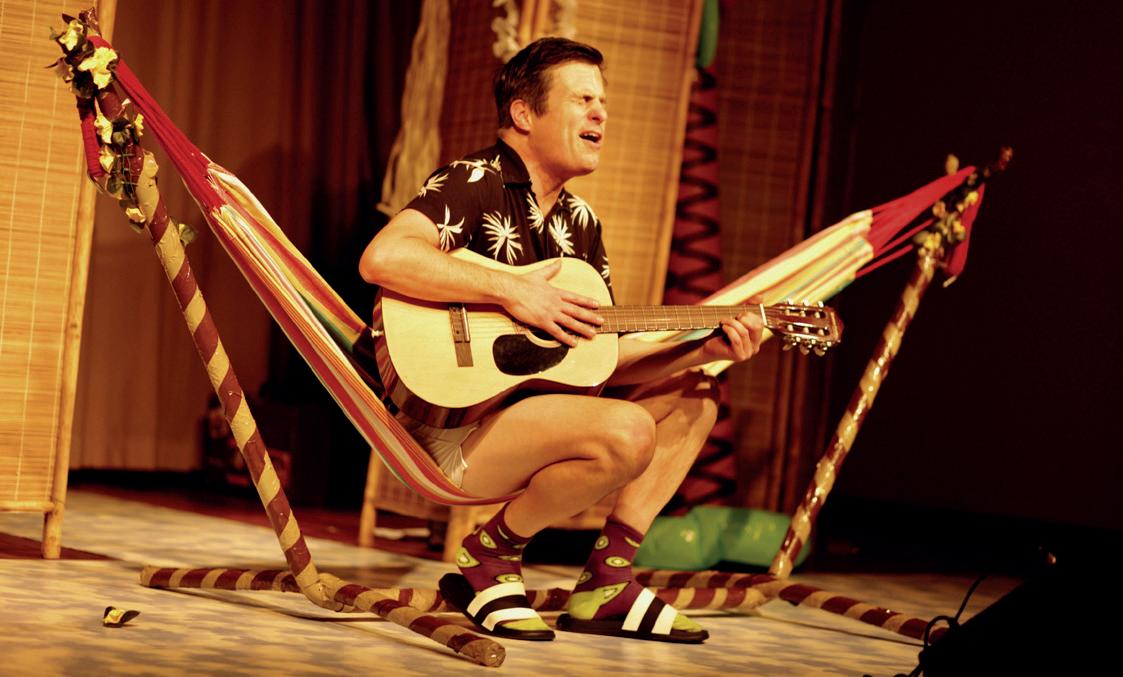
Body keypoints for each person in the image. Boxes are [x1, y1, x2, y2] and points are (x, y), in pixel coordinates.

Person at [359, 37, 763, 643]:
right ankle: (490, 555)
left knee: (696, 394)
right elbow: (383, 257)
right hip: (445, 428)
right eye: (582, 99)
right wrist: (512, 291)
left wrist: (703, 347)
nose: (601, 112)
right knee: (627, 431)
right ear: (524, 114)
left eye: (603, 101)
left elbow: (598, 358)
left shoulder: (582, 224)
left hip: (526, 421)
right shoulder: (474, 180)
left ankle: (607, 581)